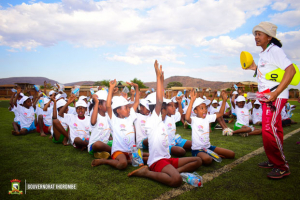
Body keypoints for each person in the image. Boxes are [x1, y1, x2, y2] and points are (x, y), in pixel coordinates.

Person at [127, 60, 202, 187]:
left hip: (167, 159)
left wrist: (161, 78)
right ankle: (147, 173)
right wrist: (158, 77)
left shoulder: (162, 121)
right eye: (165, 106)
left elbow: (160, 100)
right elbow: (159, 99)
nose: (167, 107)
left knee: (198, 160)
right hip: (157, 161)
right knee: (176, 180)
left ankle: (174, 173)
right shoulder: (153, 119)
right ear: (160, 108)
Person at [244, 21, 296, 178]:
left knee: (268, 130)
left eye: (259, 34)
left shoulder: (275, 50)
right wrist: (255, 68)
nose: (256, 37)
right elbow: (268, 73)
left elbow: (291, 70)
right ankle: (273, 160)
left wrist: (275, 93)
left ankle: (282, 166)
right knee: (275, 129)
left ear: (269, 37)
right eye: (255, 35)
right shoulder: (264, 53)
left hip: (274, 97)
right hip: (266, 96)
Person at [91, 80, 140, 170]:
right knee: (123, 164)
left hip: (130, 151)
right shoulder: (114, 120)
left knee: (146, 158)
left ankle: (129, 160)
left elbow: (136, 102)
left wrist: (136, 88)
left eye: (128, 107)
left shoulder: (130, 117)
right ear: (118, 110)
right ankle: (104, 161)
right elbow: (109, 106)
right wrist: (111, 88)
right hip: (118, 151)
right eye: (126, 108)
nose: (129, 110)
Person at [185, 89, 235, 165]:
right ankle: (211, 156)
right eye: (202, 108)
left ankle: (211, 154)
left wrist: (224, 100)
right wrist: (191, 101)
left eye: (205, 108)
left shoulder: (208, 117)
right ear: (195, 111)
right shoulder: (194, 120)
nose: (205, 110)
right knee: (207, 160)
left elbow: (221, 113)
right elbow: (187, 118)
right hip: (198, 150)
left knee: (231, 154)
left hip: (208, 148)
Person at [88, 91, 112, 159]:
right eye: (106, 104)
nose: (108, 105)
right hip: (94, 145)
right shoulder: (96, 115)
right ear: (100, 106)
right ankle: (113, 151)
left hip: (106, 143)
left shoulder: (108, 116)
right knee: (98, 144)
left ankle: (102, 154)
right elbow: (93, 122)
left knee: (116, 141)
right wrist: (96, 102)